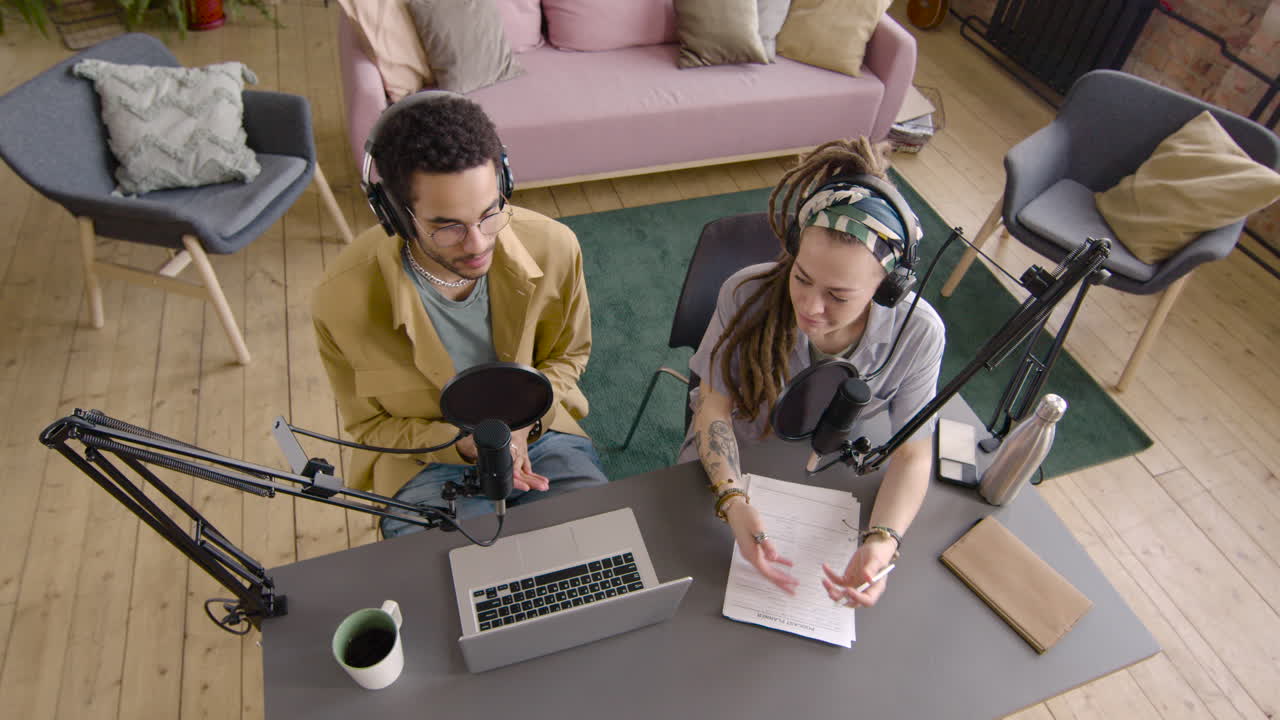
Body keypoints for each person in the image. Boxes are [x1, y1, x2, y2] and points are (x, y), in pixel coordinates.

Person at [312, 91, 608, 539]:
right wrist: (463, 444)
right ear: (394, 213)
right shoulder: (340, 301)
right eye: (448, 226)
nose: (477, 244)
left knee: (594, 544)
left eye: (491, 213)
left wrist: (521, 431)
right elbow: (370, 426)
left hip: (540, 434)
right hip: (425, 460)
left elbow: (569, 357)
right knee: (446, 580)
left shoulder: (556, 247)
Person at [678, 138, 945, 607]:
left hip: (826, 474)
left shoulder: (918, 333)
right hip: (732, 465)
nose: (811, 306)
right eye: (801, 278)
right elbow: (712, 405)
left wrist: (883, 540)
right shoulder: (746, 294)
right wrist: (732, 500)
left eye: (839, 296)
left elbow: (912, 455)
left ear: (888, 288)